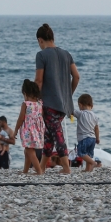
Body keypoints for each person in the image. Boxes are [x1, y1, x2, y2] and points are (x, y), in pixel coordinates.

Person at [34, 24, 80, 174]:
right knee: (49, 135)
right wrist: (68, 94)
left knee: (57, 135)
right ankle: (41, 167)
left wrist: (34, 100)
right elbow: (77, 76)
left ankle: (67, 168)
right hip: (64, 104)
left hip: (49, 103)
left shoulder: (41, 55)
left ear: (40, 40)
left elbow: (39, 80)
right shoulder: (66, 54)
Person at [11, 79, 45, 175]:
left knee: (29, 150)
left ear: (25, 93)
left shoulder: (25, 104)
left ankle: (39, 171)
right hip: (38, 130)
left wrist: (15, 130)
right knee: (28, 150)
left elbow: (21, 118)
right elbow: (40, 116)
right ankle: (25, 171)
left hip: (28, 130)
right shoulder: (39, 103)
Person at [73, 94, 100, 172]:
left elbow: (71, 111)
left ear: (80, 105)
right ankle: (88, 169)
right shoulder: (95, 116)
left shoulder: (81, 113)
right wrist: (97, 138)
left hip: (84, 138)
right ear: (91, 105)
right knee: (88, 154)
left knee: (80, 153)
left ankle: (94, 163)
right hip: (93, 138)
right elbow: (96, 128)